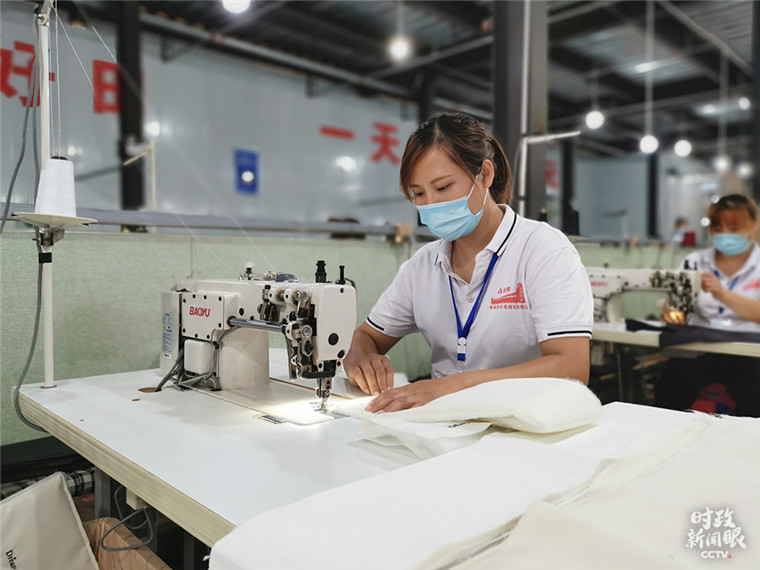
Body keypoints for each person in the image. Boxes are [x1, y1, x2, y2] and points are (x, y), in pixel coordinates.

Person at [343, 112, 594, 413]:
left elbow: (572, 367)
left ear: (485, 175)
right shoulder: (422, 266)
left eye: (443, 187)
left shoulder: (543, 250)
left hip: (524, 421)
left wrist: (452, 386)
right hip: (444, 421)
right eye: (418, 193)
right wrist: (360, 359)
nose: (431, 204)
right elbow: (366, 336)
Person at [659, 194, 760, 416]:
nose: (725, 234)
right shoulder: (695, 262)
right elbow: (676, 303)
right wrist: (672, 311)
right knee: (670, 388)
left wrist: (723, 295)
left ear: (754, 224)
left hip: (750, 354)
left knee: (753, 398)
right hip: (701, 350)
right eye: (718, 228)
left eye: (733, 228)